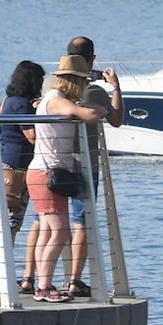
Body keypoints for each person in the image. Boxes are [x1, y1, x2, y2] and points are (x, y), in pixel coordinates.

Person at [25, 56, 106, 303]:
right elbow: (86, 115)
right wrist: (101, 108)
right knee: (59, 232)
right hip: (48, 174)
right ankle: (43, 287)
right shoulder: (57, 100)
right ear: (74, 81)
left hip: (44, 172)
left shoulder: (51, 98)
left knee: (50, 231)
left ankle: (43, 284)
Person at [63, 37, 122, 298]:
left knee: (47, 222)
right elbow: (117, 119)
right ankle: (75, 280)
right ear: (91, 60)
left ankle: (35, 279)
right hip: (84, 165)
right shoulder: (95, 91)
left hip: (50, 162)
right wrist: (116, 88)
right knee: (81, 223)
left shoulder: (53, 89)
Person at [2, 60, 44, 283]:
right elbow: (32, 136)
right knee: (13, 220)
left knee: (8, 219)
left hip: (7, 161)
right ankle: (5, 274)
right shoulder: (23, 105)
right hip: (19, 166)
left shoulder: (8, 100)